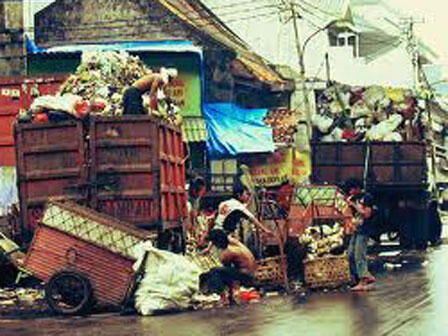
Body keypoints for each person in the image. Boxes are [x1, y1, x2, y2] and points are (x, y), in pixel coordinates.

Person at [199, 229, 257, 305]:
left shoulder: (227, 253)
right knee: (221, 271)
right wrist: (208, 248)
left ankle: (221, 295)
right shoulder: (234, 242)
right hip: (251, 272)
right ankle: (228, 295)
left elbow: (226, 274)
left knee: (215, 272)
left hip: (246, 276)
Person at [214, 183, 273, 257]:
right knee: (245, 255)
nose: (247, 196)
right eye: (246, 194)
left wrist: (251, 196)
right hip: (223, 236)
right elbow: (253, 219)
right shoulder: (238, 206)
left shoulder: (224, 203)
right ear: (239, 195)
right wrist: (265, 230)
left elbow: (219, 222)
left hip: (215, 234)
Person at [346, 193, 377, 291]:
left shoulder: (367, 198)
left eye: (352, 189)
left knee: (359, 255)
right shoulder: (354, 198)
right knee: (350, 254)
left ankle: (363, 280)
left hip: (363, 232)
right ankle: (362, 276)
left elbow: (366, 214)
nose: (350, 191)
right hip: (356, 231)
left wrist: (353, 204)